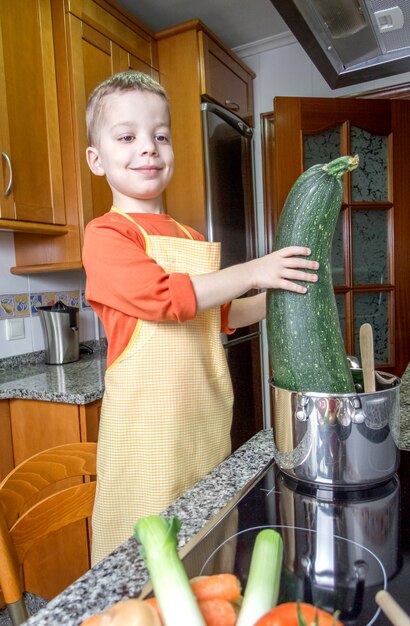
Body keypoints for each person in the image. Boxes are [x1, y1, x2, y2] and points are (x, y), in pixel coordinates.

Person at [82, 70, 319, 564]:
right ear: (96, 159)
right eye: (127, 137)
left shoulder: (189, 237)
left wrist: (289, 294)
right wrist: (256, 267)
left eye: (160, 136)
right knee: (150, 571)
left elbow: (220, 313)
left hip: (205, 429)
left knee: (207, 558)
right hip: (147, 442)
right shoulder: (106, 235)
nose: (147, 148)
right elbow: (168, 298)